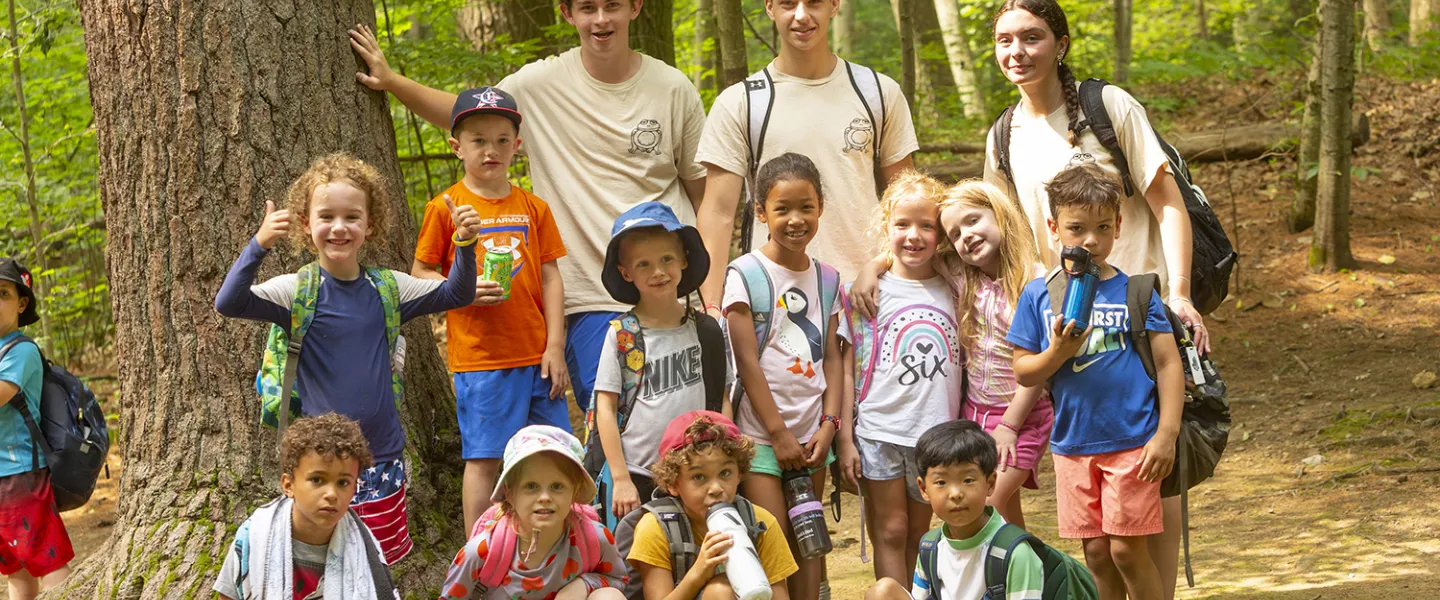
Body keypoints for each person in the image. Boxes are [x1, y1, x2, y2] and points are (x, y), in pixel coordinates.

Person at [349, 0, 708, 414]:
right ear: (566, 13)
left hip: (671, 287)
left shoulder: (672, 87)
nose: (601, 19)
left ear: (636, 7)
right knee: (616, 421)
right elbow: (471, 118)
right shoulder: (538, 86)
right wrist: (393, 82)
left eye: (613, 5)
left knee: (688, 417)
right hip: (590, 295)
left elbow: (703, 196)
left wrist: (709, 291)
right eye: (588, 7)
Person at [986, 3, 1206, 593]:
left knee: (1147, 493)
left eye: (1032, 37)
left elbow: (1166, 202)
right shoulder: (1003, 134)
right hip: (1067, 325)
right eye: (1005, 39)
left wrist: (1178, 293)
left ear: (1060, 42)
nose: (1018, 51)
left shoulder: (1108, 107)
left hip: (1136, 310)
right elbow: (1008, 233)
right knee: (1099, 538)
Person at [215, 153, 480, 563]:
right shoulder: (295, 291)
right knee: (324, 564)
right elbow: (229, 302)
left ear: (369, 225)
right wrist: (259, 244)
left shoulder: (388, 288)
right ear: (306, 224)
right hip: (323, 468)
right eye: (327, 217)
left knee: (377, 562)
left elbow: (456, 295)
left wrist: (464, 244)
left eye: (352, 217)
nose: (339, 228)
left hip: (383, 458)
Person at [1007, 163, 1183, 600]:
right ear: (1053, 227)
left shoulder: (1136, 292)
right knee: (1099, 553)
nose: (1090, 240)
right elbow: (1024, 370)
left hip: (1133, 442)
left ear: (1119, 227)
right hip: (1073, 445)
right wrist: (1057, 353)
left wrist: (1167, 434)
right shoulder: (1040, 294)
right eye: (1076, 228)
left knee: (1126, 550)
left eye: (1103, 227)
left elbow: (1167, 364)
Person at [412, 87, 570, 534]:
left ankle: (556, 546)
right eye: (478, 140)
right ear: (456, 146)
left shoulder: (533, 208)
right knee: (484, 457)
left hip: (538, 356)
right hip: (483, 359)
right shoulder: (445, 208)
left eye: (502, 140)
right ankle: (479, 555)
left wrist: (555, 345)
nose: (491, 150)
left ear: (516, 146)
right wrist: (457, 289)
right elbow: (419, 271)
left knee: (553, 451)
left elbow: (552, 276)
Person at [693, 0, 919, 308]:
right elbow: (718, 213)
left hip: (866, 292)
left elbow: (907, 200)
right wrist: (712, 307)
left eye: (813, 2)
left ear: (834, 5)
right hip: (772, 301)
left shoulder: (878, 92)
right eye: (788, 3)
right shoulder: (741, 102)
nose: (801, 15)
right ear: (770, 7)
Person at [834, 171, 963, 586]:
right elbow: (848, 368)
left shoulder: (957, 286)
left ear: (941, 233)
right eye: (902, 224)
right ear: (885, 226)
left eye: (927, 226)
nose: (914, 235)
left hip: (934, 436)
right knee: (889, 530)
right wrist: (845, 438)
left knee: (922, 536)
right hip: (879, 431)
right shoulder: (866, 292)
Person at [721, 153, 840, 600]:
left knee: (811, 543)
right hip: (762, 439)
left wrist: (829, 427)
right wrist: (778, 432)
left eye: (806, 207)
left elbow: (831, 357)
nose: (796, 220)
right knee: (774, 545)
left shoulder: (828, 279)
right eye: (782, 209)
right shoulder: (746, 275)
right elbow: (747, 362)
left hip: (813, 438)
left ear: (821, 206)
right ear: (760, 212)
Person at [590, 201, 729, 528]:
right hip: (639, 475)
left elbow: (720, 398)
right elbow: (606, 409)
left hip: (696, 471)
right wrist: (621, 478)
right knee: (639, 561)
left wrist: (723, 458)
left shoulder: (705, 330)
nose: (658, 272)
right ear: (626, 273)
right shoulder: (623, 337)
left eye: (667, 259)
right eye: (643, 264)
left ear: (683, 259)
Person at [935, 180, 1053, 529]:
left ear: (1000, 214)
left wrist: (1010, 425)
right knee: (1005, 514)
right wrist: (873, 267)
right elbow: (918, 248)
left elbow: (1039, 369)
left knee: (986, 502)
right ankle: (1028, 574)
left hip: (1023, 415)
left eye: (972, 221)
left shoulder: (1035, 284)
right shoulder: (964, 277)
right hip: (974, 414)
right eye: (954, 234)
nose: (965, 236)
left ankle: (1002, 579)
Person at [214, 414, 399, 600]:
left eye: (343, 482)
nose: (332, 494)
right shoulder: (254, 536)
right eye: (317, 480)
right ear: (288, 485)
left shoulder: (365, 550)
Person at [439, 425, 627, 600]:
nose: (544, 497)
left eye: (557, 486)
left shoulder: (594, 539)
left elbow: (618, 581)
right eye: (531, 486)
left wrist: (585, 584)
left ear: (575, 492)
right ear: (510, 493)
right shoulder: (481, 552)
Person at [864, 420, 1044, 600]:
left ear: (990, 483)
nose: (956, 494)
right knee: (882, 592)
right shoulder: (930, 547)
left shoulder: (1014, 553)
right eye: (941, 482)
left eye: (968, 480)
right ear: (924, 489)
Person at [626, 411, 797, 600]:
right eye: (699, 477)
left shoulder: (760, 523)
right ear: (673, 484)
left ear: (739, 473)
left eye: (725, 473)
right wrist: (699, 572)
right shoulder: (656, 527)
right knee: (721, 591)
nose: (716, 488)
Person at [0, 258, 73, 600]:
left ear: (21, 303)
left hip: (22, 475)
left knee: (46, 557)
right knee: (15, 566)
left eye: (2, 293)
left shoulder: (20, 350)